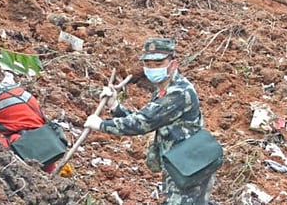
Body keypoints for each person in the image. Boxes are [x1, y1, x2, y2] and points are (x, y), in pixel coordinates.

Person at [84, 38, 214, 204]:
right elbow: (148, 117)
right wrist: (115, 106)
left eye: (158, 63)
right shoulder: (164, 89)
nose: (152, 69)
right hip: (179, 163)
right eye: (148, 64)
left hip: (191, 166)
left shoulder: (179, 93)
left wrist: (102, 125)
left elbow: (143, 122)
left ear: (173, 64)